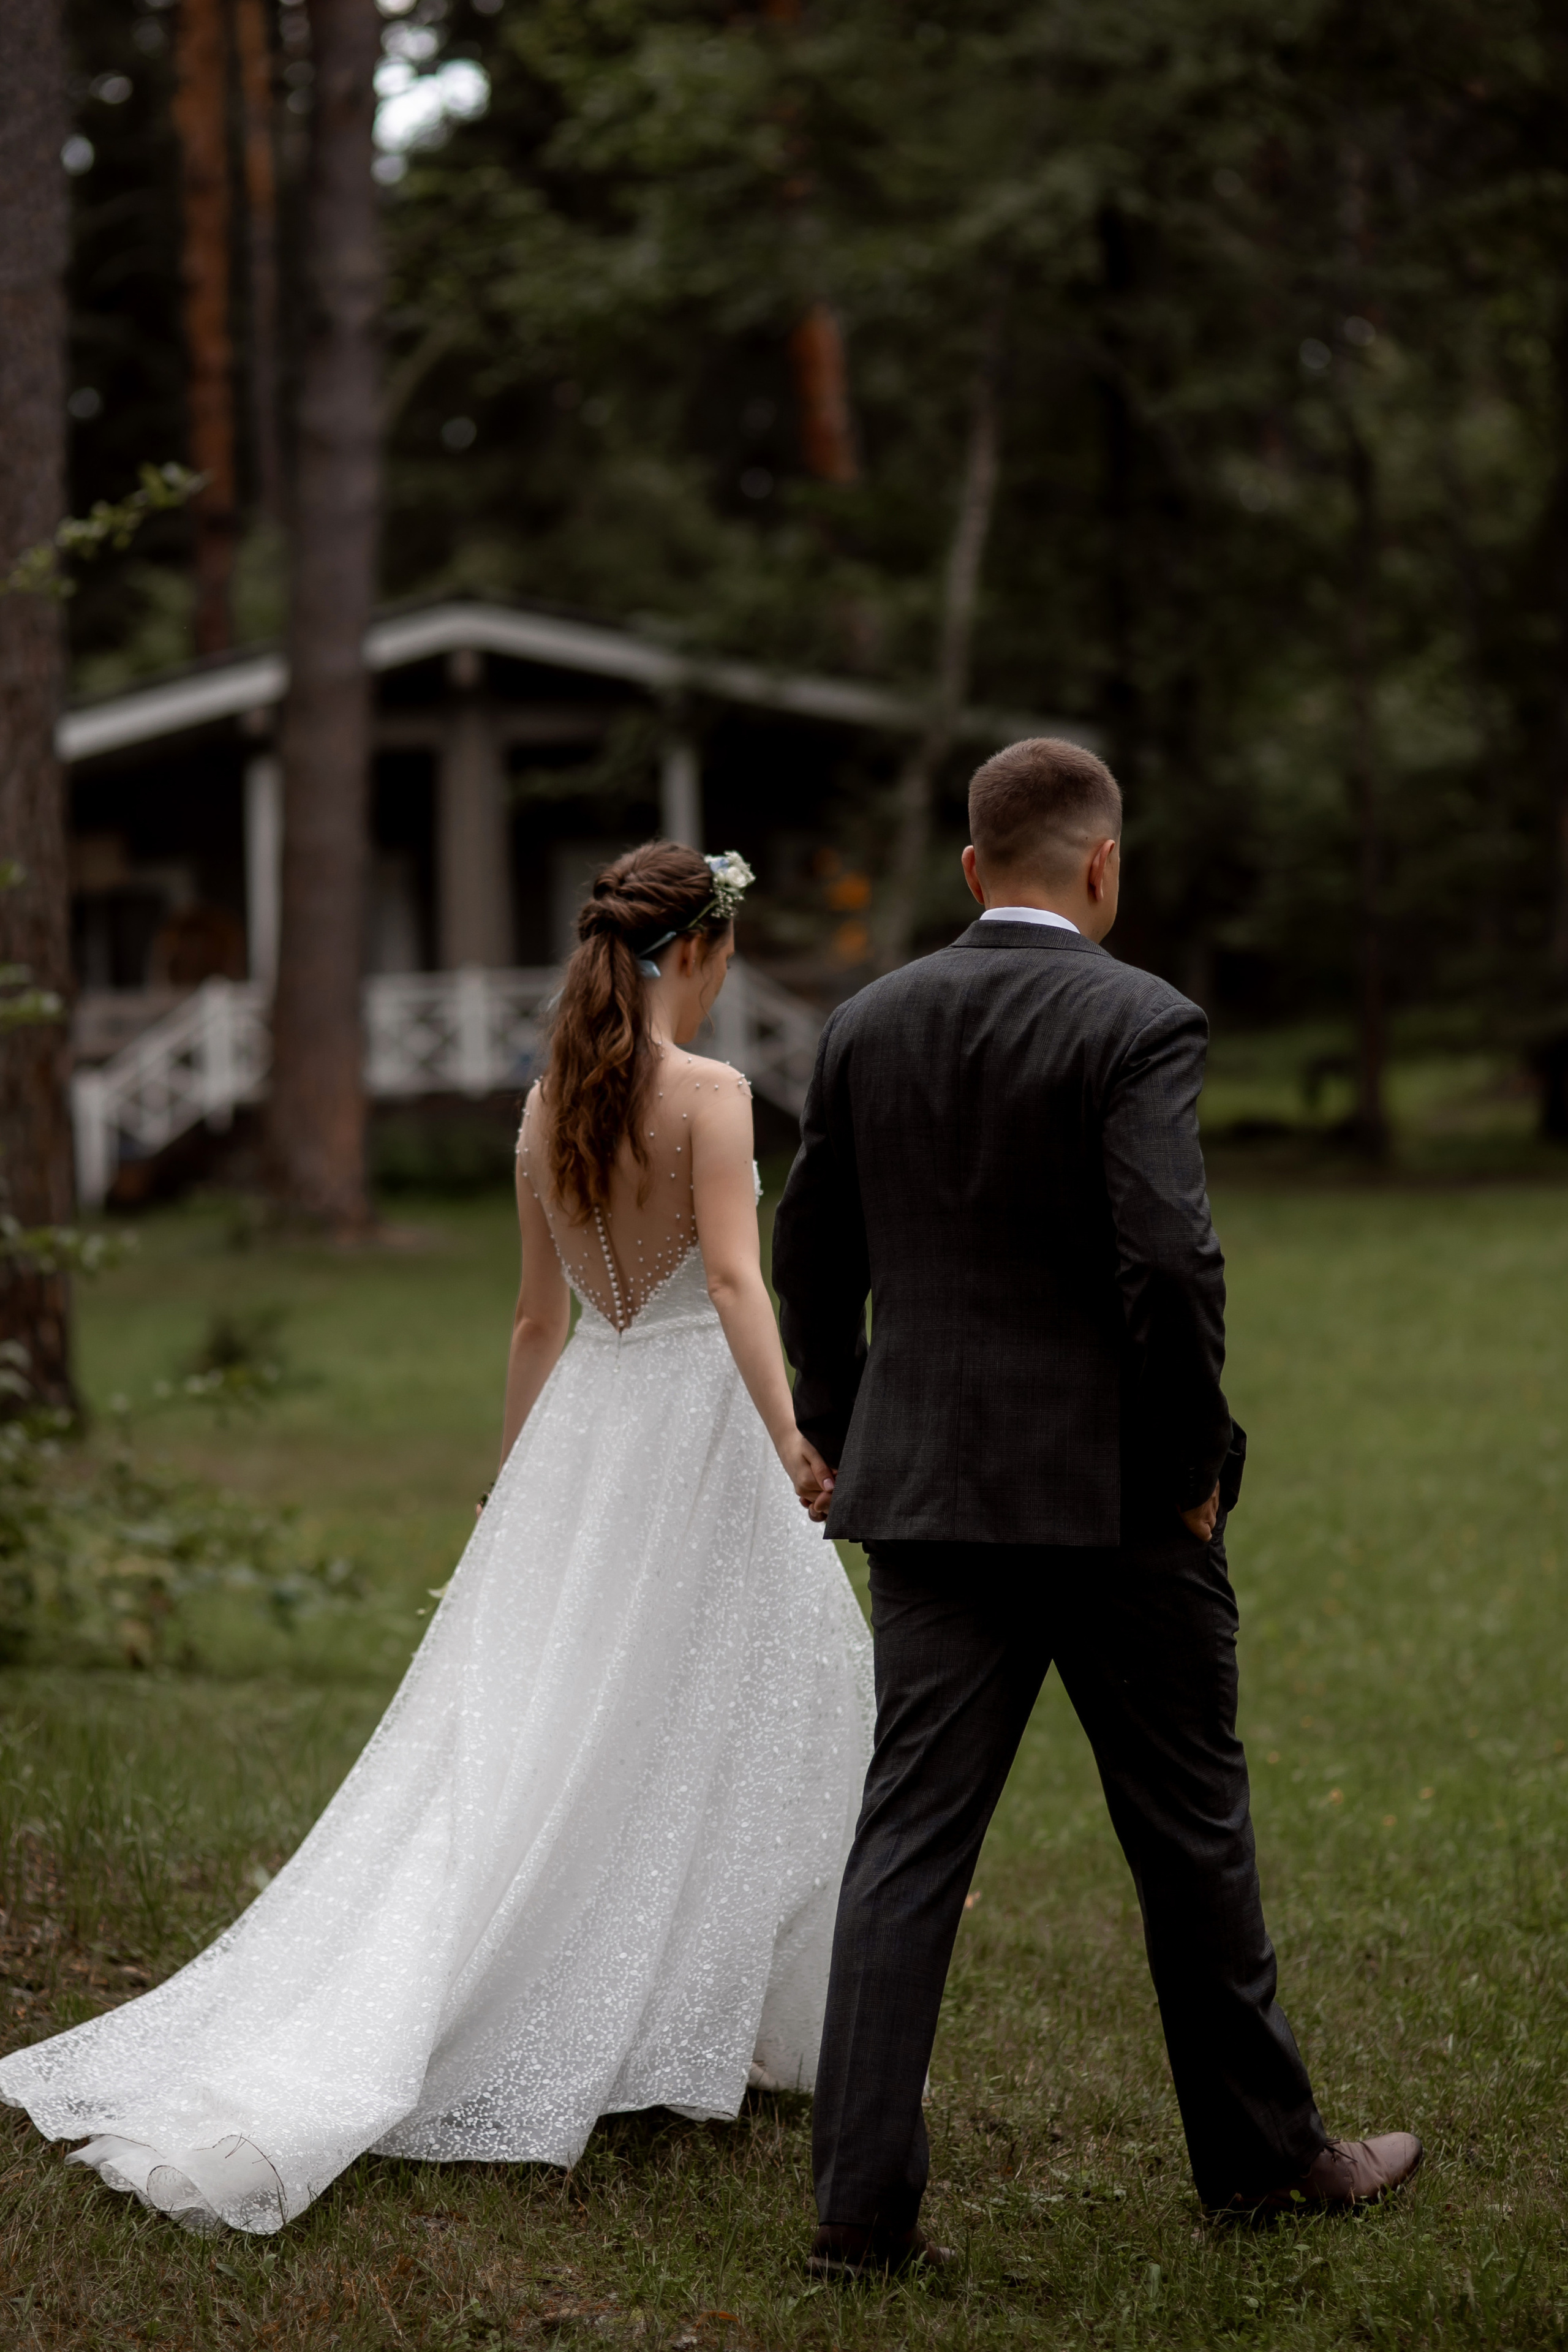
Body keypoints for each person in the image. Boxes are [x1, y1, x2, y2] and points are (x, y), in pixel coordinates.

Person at [0, 842, 872, 2236]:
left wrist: (515, 1486)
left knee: (604, 1706)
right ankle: (636, 2004)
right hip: (699, 1430)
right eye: (722, 958)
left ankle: (685, 2007)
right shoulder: (710, 1096)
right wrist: (788, 1439)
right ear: (696, 954)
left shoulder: (549, 1107)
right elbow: (728, 1276)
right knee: (758, 1692)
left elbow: (537, 1322)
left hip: (590, 1426)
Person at [772, 738, 1422, 2278]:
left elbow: (812, 1258)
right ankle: (1267, 2169)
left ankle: (856, 2220)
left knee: (905, 1851)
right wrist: (1188, 1463)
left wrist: (853, 1433)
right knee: (1188, 1834)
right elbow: (1169, 1265)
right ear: (1103, 866)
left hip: (930, 1506)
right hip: (1127, 1508)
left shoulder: (867, 1023)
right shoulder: (1137, 1020)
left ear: (973, 870)